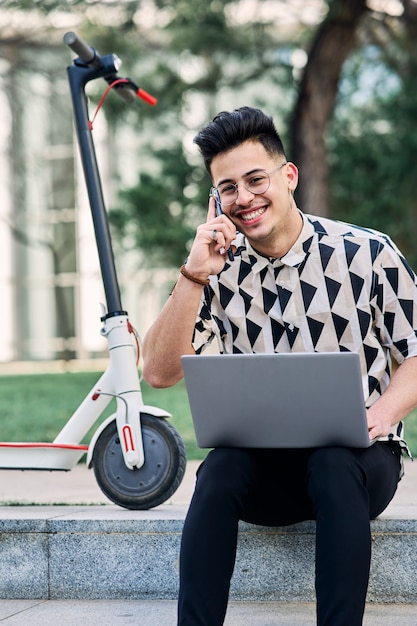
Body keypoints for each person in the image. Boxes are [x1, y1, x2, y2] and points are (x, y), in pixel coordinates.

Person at [142, 106, 417, 626]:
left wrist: (378, 415)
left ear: (288, 177)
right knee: (220, 468)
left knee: (333, 462)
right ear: (214, 201)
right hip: (265, 473)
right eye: (227, 188)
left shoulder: (366, 253)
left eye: (254, 179)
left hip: (358, 467)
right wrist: (195, 273)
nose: (243, 198)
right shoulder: (215, 270)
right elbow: (158, 372)